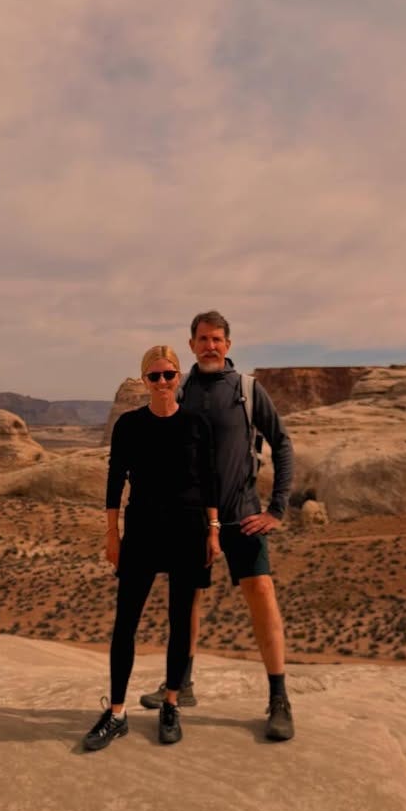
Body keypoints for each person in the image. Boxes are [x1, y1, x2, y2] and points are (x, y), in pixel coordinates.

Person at [139, 310, 296, 741]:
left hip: (242, 514)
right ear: (191, 344)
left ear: (228, 344)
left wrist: (277, 509)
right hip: (191, 520)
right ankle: (181, 684)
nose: (210, 346)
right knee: (186, 599)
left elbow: (282, 443)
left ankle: (279, 698)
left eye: (217, 339)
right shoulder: (180, 389)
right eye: (203, 339)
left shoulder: (247, 389)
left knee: (261, 593)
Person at [83, 345, 220, 751]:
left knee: (180, 620)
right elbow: (115, 480)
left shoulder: (197, 423)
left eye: (169, 374)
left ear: (179, 377)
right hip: (142, 529)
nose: (162, 382)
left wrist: (213, 529)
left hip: (188, 529)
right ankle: (117, 712)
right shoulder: (129, 425)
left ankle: (171, 704)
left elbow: (209, 480)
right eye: (154, 376)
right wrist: (112, 533)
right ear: (144, 380)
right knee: (126, 622)